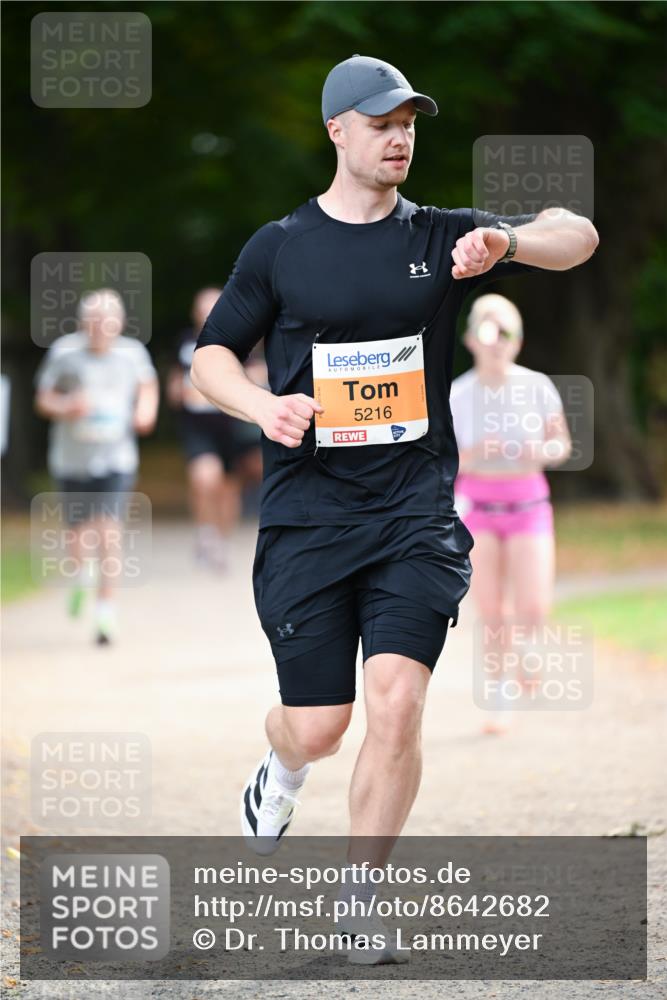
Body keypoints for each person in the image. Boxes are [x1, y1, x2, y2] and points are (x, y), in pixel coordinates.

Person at [191, 55, 598, 962]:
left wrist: (505, 246)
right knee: (319, 725)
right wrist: (261, 406)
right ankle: (281, 767)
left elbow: (575, 234)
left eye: (408, 122)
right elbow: (210, 356)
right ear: (336, 131)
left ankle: (360, 897)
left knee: (398, 700)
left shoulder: (444, 235)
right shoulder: (281, 246)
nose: (399, 137)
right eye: (380, 124)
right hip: (308, 515)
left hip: (414, 513)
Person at [450, 294, 572, 734]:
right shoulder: (457, 394)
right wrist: (476, 454)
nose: (497, 340)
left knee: (533, 607)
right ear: (471, 339)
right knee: (492, 610)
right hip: (477, 507)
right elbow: (442, 463)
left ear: (518, 341)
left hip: (528, 504)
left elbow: (561, 445)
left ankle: (527, 651)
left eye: (506, 331)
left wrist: (536, 450)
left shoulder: (537, 387)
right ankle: (500, 698)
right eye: (488, 330)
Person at [34, 288, 158, 644]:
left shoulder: (132, 354)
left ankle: (105, 613)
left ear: (119, 322)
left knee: (109, 530)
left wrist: (144, 412)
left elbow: (148, 387)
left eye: (107, 320)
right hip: (71, 459)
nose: (100, 327)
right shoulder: (64, 352)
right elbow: (43, 399)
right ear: (82, 322)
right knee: (78, 538)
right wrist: (66, 407)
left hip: (116, 458)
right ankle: (80, 574)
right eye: (93, 320)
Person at [167, 287, 264, 570]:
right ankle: (206, 533)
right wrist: (178, 393)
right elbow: (175, 379)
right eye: (202, 309)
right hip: (198, 427)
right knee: (204, 477)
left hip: (231, 426)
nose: (206, 315)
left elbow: (258, 373)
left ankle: (221, 541)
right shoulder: (185, 342)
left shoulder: (237, 338)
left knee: (228, 488)